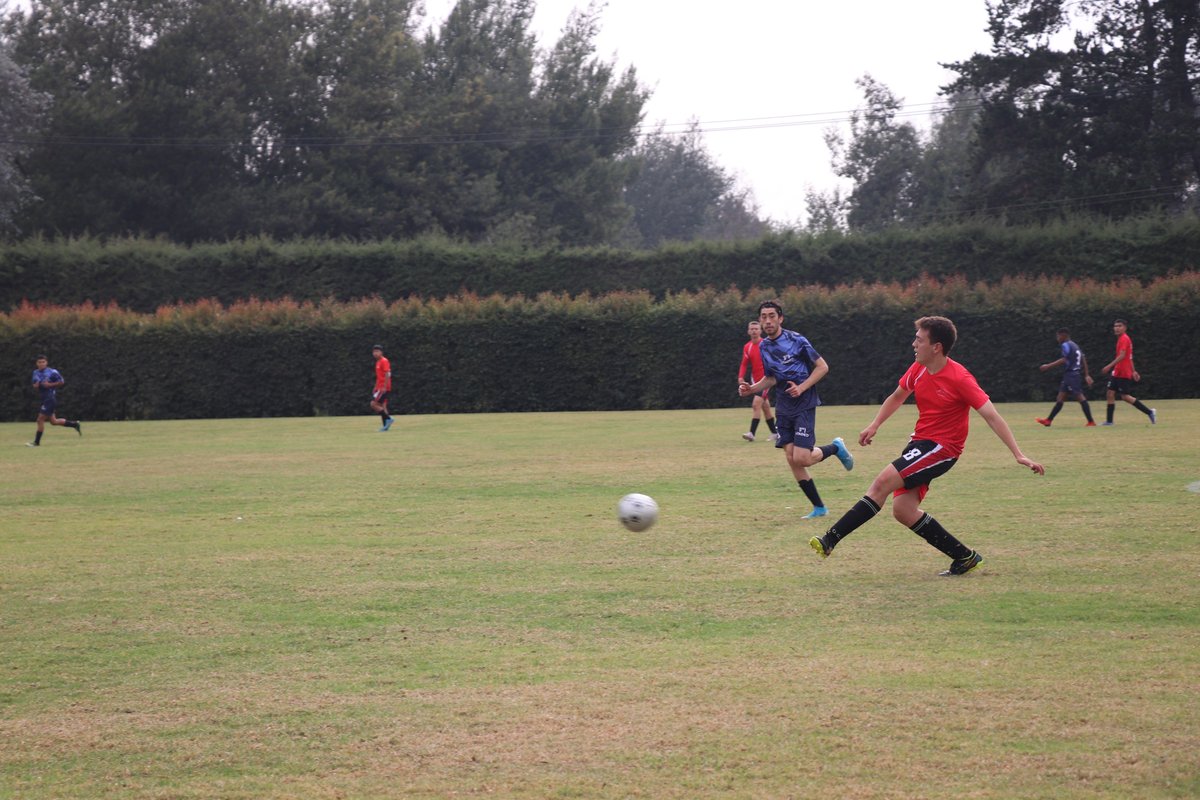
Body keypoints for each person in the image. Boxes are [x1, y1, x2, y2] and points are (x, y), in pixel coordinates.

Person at [808, 316, 1044, 576]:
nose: (914, 344)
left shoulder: (960, 378)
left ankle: (830, 539)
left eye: (919, 340)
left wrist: (1018, 454)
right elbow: (897, 396)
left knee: (881, 483)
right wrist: (875, 425)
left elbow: (992, 415)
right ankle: (964, 557)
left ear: (936, 347)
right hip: (920, 443)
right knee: (903, 510)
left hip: (942, 448)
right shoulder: (919, 368)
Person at [738, 300, 854, 519]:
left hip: (804, 403)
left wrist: (801, 387)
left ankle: (835, 448)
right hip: (783, 406)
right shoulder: (764, 346)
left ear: (780, 318)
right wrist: (752, 388)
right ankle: (819, 508)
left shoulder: (797, 340)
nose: (767, 321)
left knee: (802, 458)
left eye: (772, 316)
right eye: (764, 317)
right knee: (792, 458)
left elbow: (822, 367)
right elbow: (771, 377)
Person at [1099, 319, 1155, 426]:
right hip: (1117, 372)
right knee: (1110, 394)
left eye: (1119, 326)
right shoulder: (1121, 339)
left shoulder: (1124, 339)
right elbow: (1130, 357)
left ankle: (1149, 412)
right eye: (1115, 326)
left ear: (1125, 328)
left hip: (1123, 372)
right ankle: (1109, 421)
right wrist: (1134, 371)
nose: (1117, 328)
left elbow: (1122, 355)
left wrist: (1109, 366)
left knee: (1125, 397)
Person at [1035, 327, 1096, 426]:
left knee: (1080, 396)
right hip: (1070, 375)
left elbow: (1064, 359)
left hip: (1072, 375)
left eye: (1058, 336)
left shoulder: (1065, 345)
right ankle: (1048, 420)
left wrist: (1048, 366)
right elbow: (1083, 358)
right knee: (1060, 397)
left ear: (1063, 335)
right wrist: (1086, 374)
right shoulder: (1075, 345)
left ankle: (1091, 421)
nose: (1057, 338)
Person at [737, 320, 778, 443]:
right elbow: (744, 364)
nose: (754, 331)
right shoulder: (747, 346)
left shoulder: (766, 345)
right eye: (752, 329)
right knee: (765, 407)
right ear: (748, 331)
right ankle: (775, 433)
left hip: (767, 380)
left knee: (756, 404)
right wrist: (740, 377)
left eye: (756, 329)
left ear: (761, 331)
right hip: (754, 380)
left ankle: (751, 433)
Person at [28, 355, 82, 446]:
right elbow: (35, 385)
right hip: (44, 399)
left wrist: (50, 385)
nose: (41, 364)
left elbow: (61, 381)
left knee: (40, 420)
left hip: (50, 398)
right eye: (39, 362)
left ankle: (36, 442)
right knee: (53, 421)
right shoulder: (35, 372)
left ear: (46, 363)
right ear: (36, 363)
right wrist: (36, 386)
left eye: (43, 362)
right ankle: (74, 424)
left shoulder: (52, 372)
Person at [371, 344, 394, 431]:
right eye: (374, 351)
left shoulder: (384, 361)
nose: (375, 353)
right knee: (383, 406)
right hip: (379, 387)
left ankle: (388, 419)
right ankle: (385, 427)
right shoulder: (378, 362)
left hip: (383, 388)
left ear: (381, 352)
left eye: (377, 351)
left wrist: (384, 387)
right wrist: (375, 387)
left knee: (373, 404)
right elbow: (379, 377)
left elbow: (387, 374)